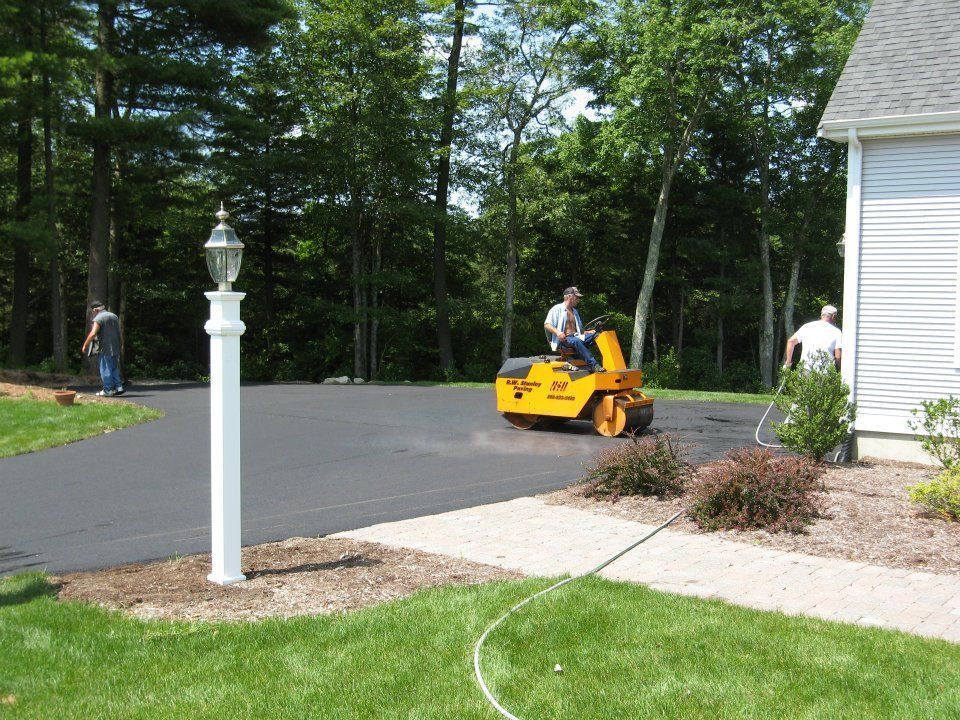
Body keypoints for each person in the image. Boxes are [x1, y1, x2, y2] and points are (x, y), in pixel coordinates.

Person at [544, 286, 605, 373]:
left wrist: (587, 332)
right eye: (577, 297)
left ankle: (605, 362)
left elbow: (579, 330)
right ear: (569, 296)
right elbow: (547, 324)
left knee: (598, 335)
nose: (578, 300)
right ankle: (594, 365)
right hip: (564, 340)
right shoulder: (556, 309)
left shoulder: (575, 311)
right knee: (577, 341)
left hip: (577, 336)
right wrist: (558, 333)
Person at [81, 300, 125, 396]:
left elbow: (93, 333)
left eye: (92, 311)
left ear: (95, 310)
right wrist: (121, 343)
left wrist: (85, 345)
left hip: (105, 347)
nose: (92, 313)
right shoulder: (114, 316)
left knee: (105, 368)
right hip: (116, 346)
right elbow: (119, 331)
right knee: (114, 367)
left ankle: (108, 390)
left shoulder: (99, 318)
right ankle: (119, 387)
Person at [783, 304, 842, 371]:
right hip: (824, 371)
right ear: (833, 316)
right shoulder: (837, 332)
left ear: (822, 315)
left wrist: (788, 362)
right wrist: (838, 370)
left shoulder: (807, 326)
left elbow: (791, 341)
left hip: (805, 369)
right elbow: (838, 356)